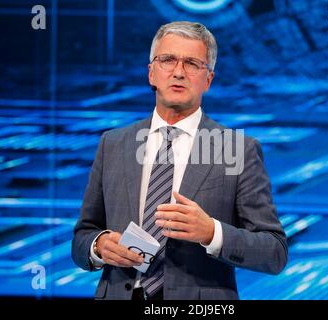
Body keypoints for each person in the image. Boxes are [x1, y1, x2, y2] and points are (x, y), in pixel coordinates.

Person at [72, 21, 287, 300]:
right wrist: (98, 246)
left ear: (208, 80)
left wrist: (212, 232)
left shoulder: (237, 148)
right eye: (168, 60)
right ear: (151, 73)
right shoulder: (113, 144)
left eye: (192, 64)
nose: (178, 72)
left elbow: (275, 252)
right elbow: (82, 237)